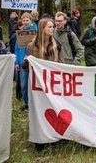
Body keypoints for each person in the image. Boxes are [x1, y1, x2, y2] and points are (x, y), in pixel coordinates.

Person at [24, 18, 65, 151]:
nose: (53, 29)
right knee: (39, 110)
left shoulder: (57, 45)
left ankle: (55, 136)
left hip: (53, 84)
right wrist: (26, 62)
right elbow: (26, 68)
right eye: (50, 27)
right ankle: (40, 140)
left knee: (53, 108)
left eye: (53, 26)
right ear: (42, 29)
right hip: (38, 86)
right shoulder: (32, 46)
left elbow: (62, 65)